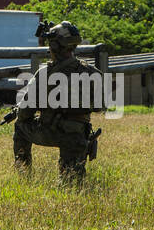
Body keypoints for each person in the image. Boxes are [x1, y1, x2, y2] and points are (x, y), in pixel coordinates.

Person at [12, 21, 102, 183]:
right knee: (72, 183)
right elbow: (99, 106)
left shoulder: (46, 73)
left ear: (54, 46)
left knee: (20, 127)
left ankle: (23, 175)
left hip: (50, 132)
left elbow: (26, 110)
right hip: (78, 137)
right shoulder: (91, 72)